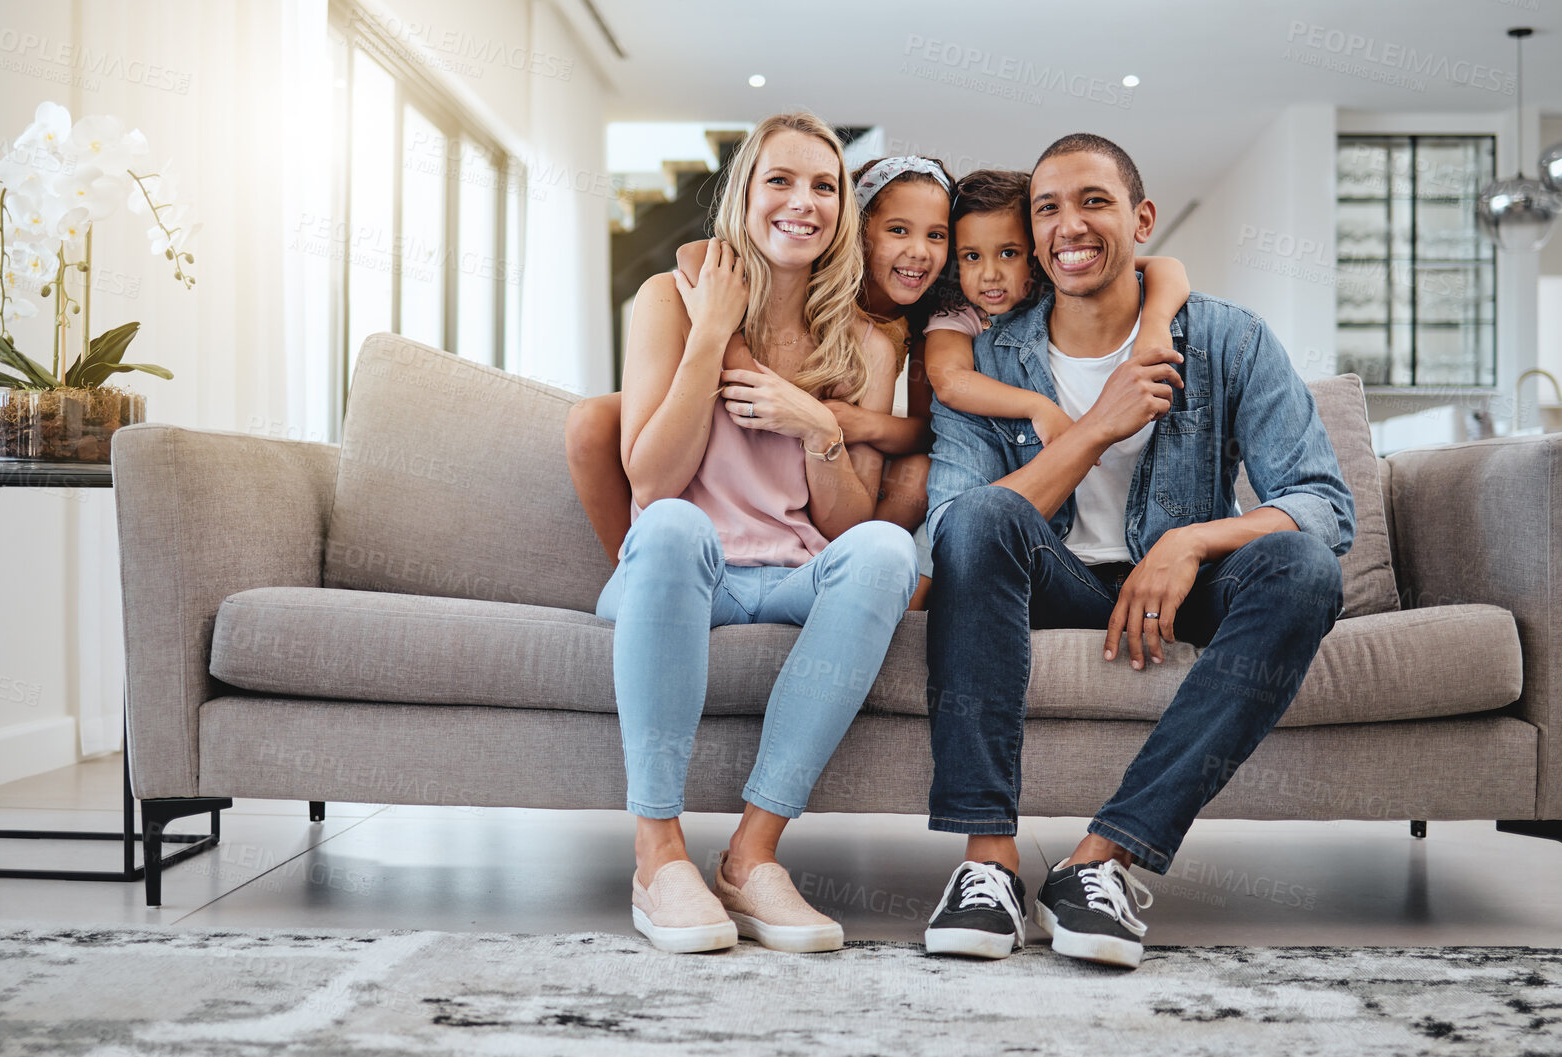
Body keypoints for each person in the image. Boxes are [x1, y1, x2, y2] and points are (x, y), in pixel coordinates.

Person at [919, 134, 1355, 969]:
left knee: (1304, 568)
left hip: (1180, 585)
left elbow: (1322, 504)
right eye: (1047, 208)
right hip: (1052, 581)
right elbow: (954, 529)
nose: (1068, 226)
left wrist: (1191, 541)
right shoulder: (988, 360)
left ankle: (1100, 861)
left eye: (1093, 201)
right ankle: (987, 867)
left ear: (1140, 218)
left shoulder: (1227, 338)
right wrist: (1093, 430)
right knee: (979, 520)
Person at [597, 111, 917, 954]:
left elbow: (846, 523)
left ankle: (751, 855)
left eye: (824, 185)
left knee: (888, 547)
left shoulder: (868, 341)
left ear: (843, 209)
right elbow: (650, 479)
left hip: (790, 574)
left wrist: (818, 427)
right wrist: (709, 337)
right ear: (745, 193)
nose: (802, 202)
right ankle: (657, 854)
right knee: (669, 523)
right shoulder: (667, 298)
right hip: (680, 569)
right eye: (780, 180)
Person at [565, 155, 954, 608]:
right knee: (593, 420)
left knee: (918, 473)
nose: (918, 251)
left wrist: (852, 424)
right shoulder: (809, 267)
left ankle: (859, 576)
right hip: (764, 386)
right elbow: (693, 256)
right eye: (898, 230)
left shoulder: (913, 323)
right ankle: (646, 570)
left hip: (842, 423)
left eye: (936, 236)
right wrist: (734, 351)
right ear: (857, 228)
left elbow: (934, 430)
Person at [923, 168, 1194, 444]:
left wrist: (1155, 323)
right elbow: (949, 382)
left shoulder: (1058, 279)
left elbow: (1167, 267)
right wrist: (1036, 407)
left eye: (1008, 253)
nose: (990, 273)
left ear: (1037, 248)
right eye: (972, 256)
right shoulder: (956, 311)